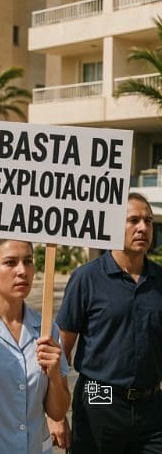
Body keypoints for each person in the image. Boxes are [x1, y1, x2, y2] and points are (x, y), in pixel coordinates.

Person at [50, 192, 162, 453]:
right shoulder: (87, 278)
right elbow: (61, 350)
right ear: (112, 225)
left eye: (148, 221)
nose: (143, 227)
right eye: (133, 220)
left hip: (152, 404)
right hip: (100, 398)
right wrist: (55, 414)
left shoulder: (160, 280)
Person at [0, 239, 70, 453]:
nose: (22, 271)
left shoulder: (46, 329)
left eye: (28, 261)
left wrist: (54, 375)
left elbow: (57, 412)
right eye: (10, 262)